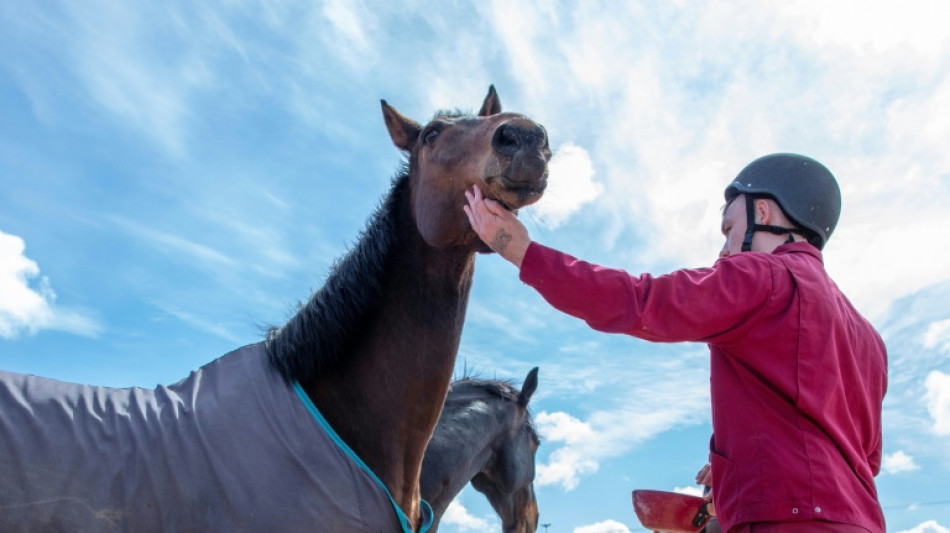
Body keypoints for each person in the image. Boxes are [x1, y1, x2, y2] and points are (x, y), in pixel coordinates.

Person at [463, 153, 887, 533]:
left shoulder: (763, 278)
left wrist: (520, 250)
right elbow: (863, 459)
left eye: (729, 229)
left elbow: (641, 302)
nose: (723, 251)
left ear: (763, 211)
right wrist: (736, 471)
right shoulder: (870, 339)